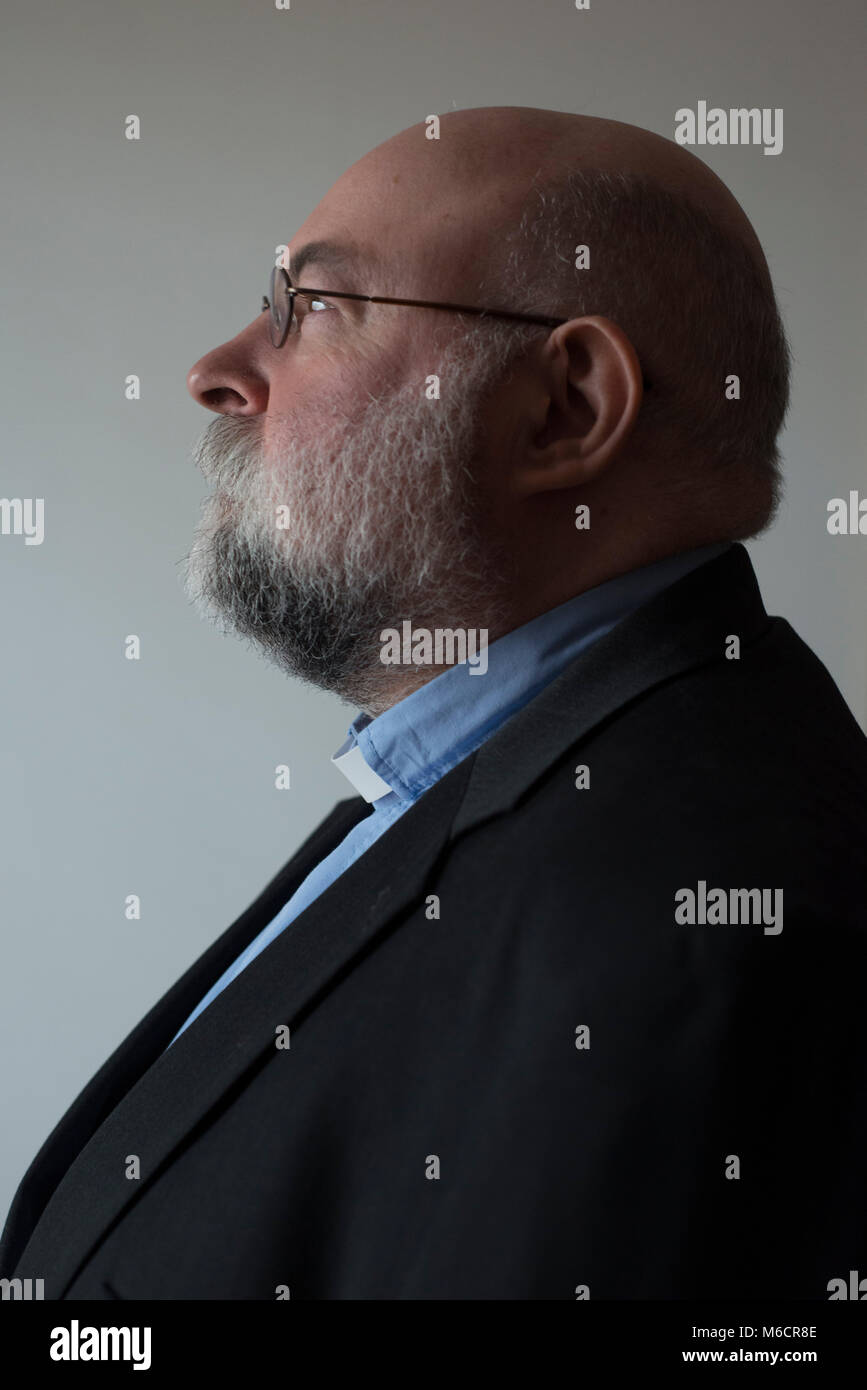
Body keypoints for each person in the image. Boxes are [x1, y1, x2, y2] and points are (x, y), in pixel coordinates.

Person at [2, 107, 865, 1301]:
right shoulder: (524, 783)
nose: (219, 371)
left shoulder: (673, 930)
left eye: (314, 308)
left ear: (563, 407)